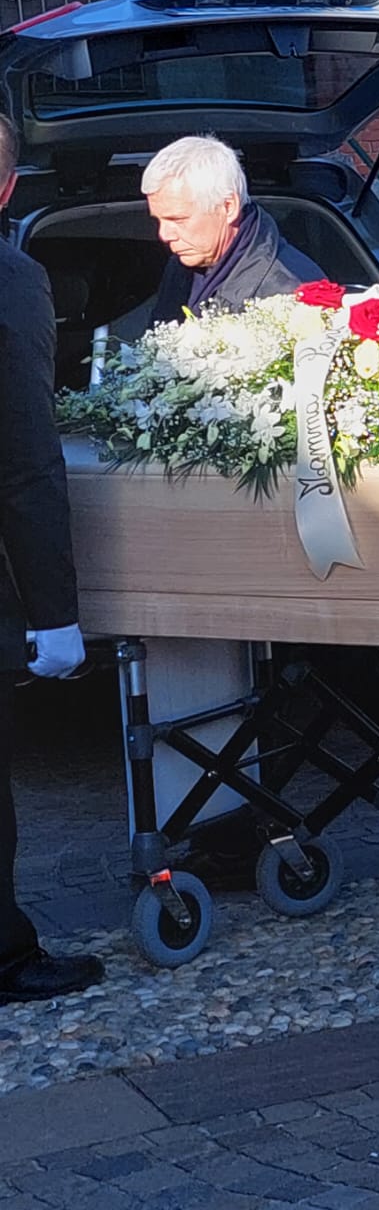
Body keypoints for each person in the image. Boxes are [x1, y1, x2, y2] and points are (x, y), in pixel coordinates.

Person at [0, 115, 102, 1006]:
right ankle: (2, 953)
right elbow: (27, 460)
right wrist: (53, 611)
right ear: (6, 189)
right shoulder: (10, 277)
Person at [143, 135, 319, 324]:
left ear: (228, 207)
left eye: (178, 219)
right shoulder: (182, 266)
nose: (164, 235)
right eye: (159, 220)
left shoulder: (289, 290)